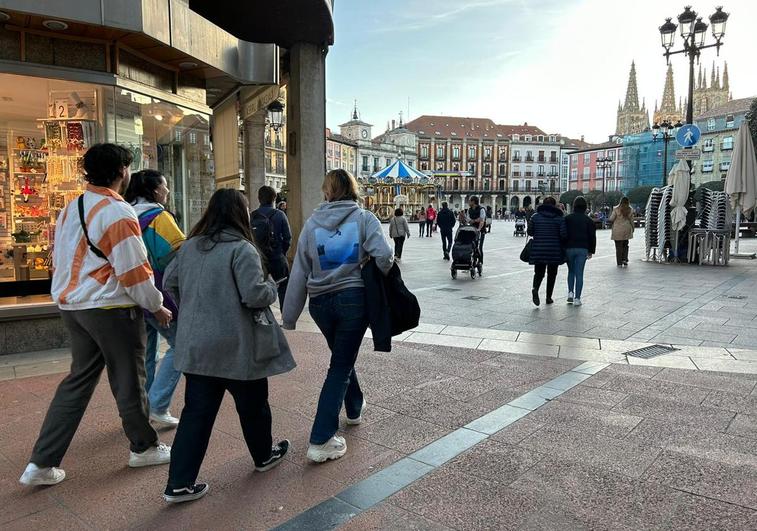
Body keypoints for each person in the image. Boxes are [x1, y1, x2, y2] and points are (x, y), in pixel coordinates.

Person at [19, 144, 173, 487]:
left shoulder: (71, 208)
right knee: (129, 380)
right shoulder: (117, 211)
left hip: (73, 307)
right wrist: (155, 304)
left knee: (77, 381)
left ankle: (41, 463)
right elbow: (134, 270)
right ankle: (144, 447)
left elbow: (60, 259)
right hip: (110, 308)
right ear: (122, 171)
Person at [162, 188, 295, 503]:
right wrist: (271, 289)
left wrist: (192, 306)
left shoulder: (190, 247)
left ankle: (178, 484)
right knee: (253, 406)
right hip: (236, 345)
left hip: (197, 347)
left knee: (196, 414)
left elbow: (169, 282)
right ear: (241, 214)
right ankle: (263, 456)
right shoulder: (241, 249)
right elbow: (254, 295)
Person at [282, 169, 393, 463]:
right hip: (353, 301)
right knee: (340, 366)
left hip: (319, 304)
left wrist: (290, 315)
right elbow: (384, 256)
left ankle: (354, 407)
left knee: (341, 358)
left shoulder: (312, 224)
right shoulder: (364, 218)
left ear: (327, 191)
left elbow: (299, 271)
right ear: (352, 189)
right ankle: (321, 438)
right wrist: (370, 263)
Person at [125, 169, 185, 428]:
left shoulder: (125, 214)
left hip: (130, 295)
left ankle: (142, 409)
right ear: (155, 190)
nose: (168, 190)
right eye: (165, 185)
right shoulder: (159, 217)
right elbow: (176, 256)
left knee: (146, 355)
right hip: (160, 293)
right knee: (180, 346)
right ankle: (158, 404)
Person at [251, 185, 292, 307]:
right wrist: (281, 253)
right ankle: (285, 319)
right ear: (274, 198)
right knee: (283, 289)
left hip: (259, 261)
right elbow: (288, 238)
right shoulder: (280, 215)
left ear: (259, 198)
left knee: (260, 291)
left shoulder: (252, 216)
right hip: (277, 259)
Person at [527, 196, 567, 306]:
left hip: (538, 249)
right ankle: (548, 297)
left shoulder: (535, 217)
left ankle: (535, 288)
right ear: (554, 206)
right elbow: (563, 235)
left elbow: (530, 232)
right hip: (554, 250)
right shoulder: (559, 218)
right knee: (552, 274)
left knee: (539, 272)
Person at [564, 196, 596, 307]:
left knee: (571, 271)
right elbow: (592, 237)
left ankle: (570, 292)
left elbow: (563, 233)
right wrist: (591, 250)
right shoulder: (589, 220)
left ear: (574, 206)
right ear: (585, 207)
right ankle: (577, 299)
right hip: (583, 249)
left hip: (569, 248)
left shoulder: (567, 218)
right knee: (579, 273)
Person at [609, 196, 634, 267]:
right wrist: (633, 228)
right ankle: (625, 260)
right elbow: (632, 221)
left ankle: (619, 263)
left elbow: (611, 219)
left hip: (617, 230)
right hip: (627, 229)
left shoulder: (616, 209)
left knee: (618, 247)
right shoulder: (630, 209)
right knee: (626, 245)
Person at [466, 196, 487, 261]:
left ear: (473, 201)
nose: (468, 202)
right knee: (472, 246)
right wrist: (472, 220)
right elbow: (468, 218)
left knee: (479, 247)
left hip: (480, 230)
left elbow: (482, 220)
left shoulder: (481, 209)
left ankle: (480, 262)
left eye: (469, 201)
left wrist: (479, 229)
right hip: (472, 230)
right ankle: (473, 261)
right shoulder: (469, 210)